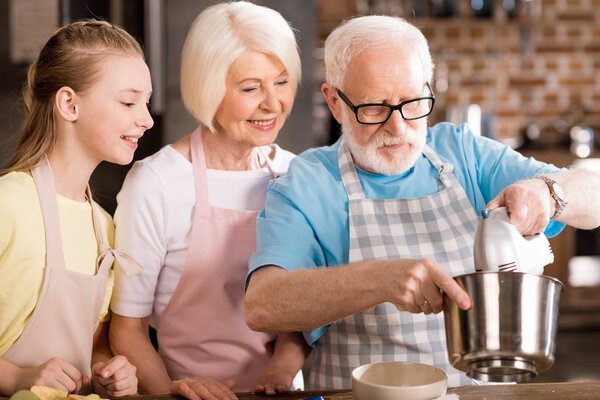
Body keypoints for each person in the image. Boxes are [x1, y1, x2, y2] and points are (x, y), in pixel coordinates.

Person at [244, 14, 600, 389]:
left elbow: (593, 196)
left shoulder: (465, 153)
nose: (397, 128)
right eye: (375, 108)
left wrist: (550, 192)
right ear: (335, 102)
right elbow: (264, 304)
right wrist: (380, 279)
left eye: (413, 103)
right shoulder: (308, 184)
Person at [108, 2, 310, 399]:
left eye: (282, 82)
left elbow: (303, 315)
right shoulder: (156, 184)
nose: (273, 103)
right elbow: (127, 330)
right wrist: (174, 393)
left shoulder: (297, 175)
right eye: (250, 88)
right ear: (208, 87)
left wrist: (280, 374)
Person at [0, 20, 153, 396]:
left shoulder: (104, 227)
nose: (146, 119)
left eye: (146, 103)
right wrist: (15, 379)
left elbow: (94, 345)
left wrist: (106, 370)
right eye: (128, 102)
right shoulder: (8, 205)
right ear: (69, 104)